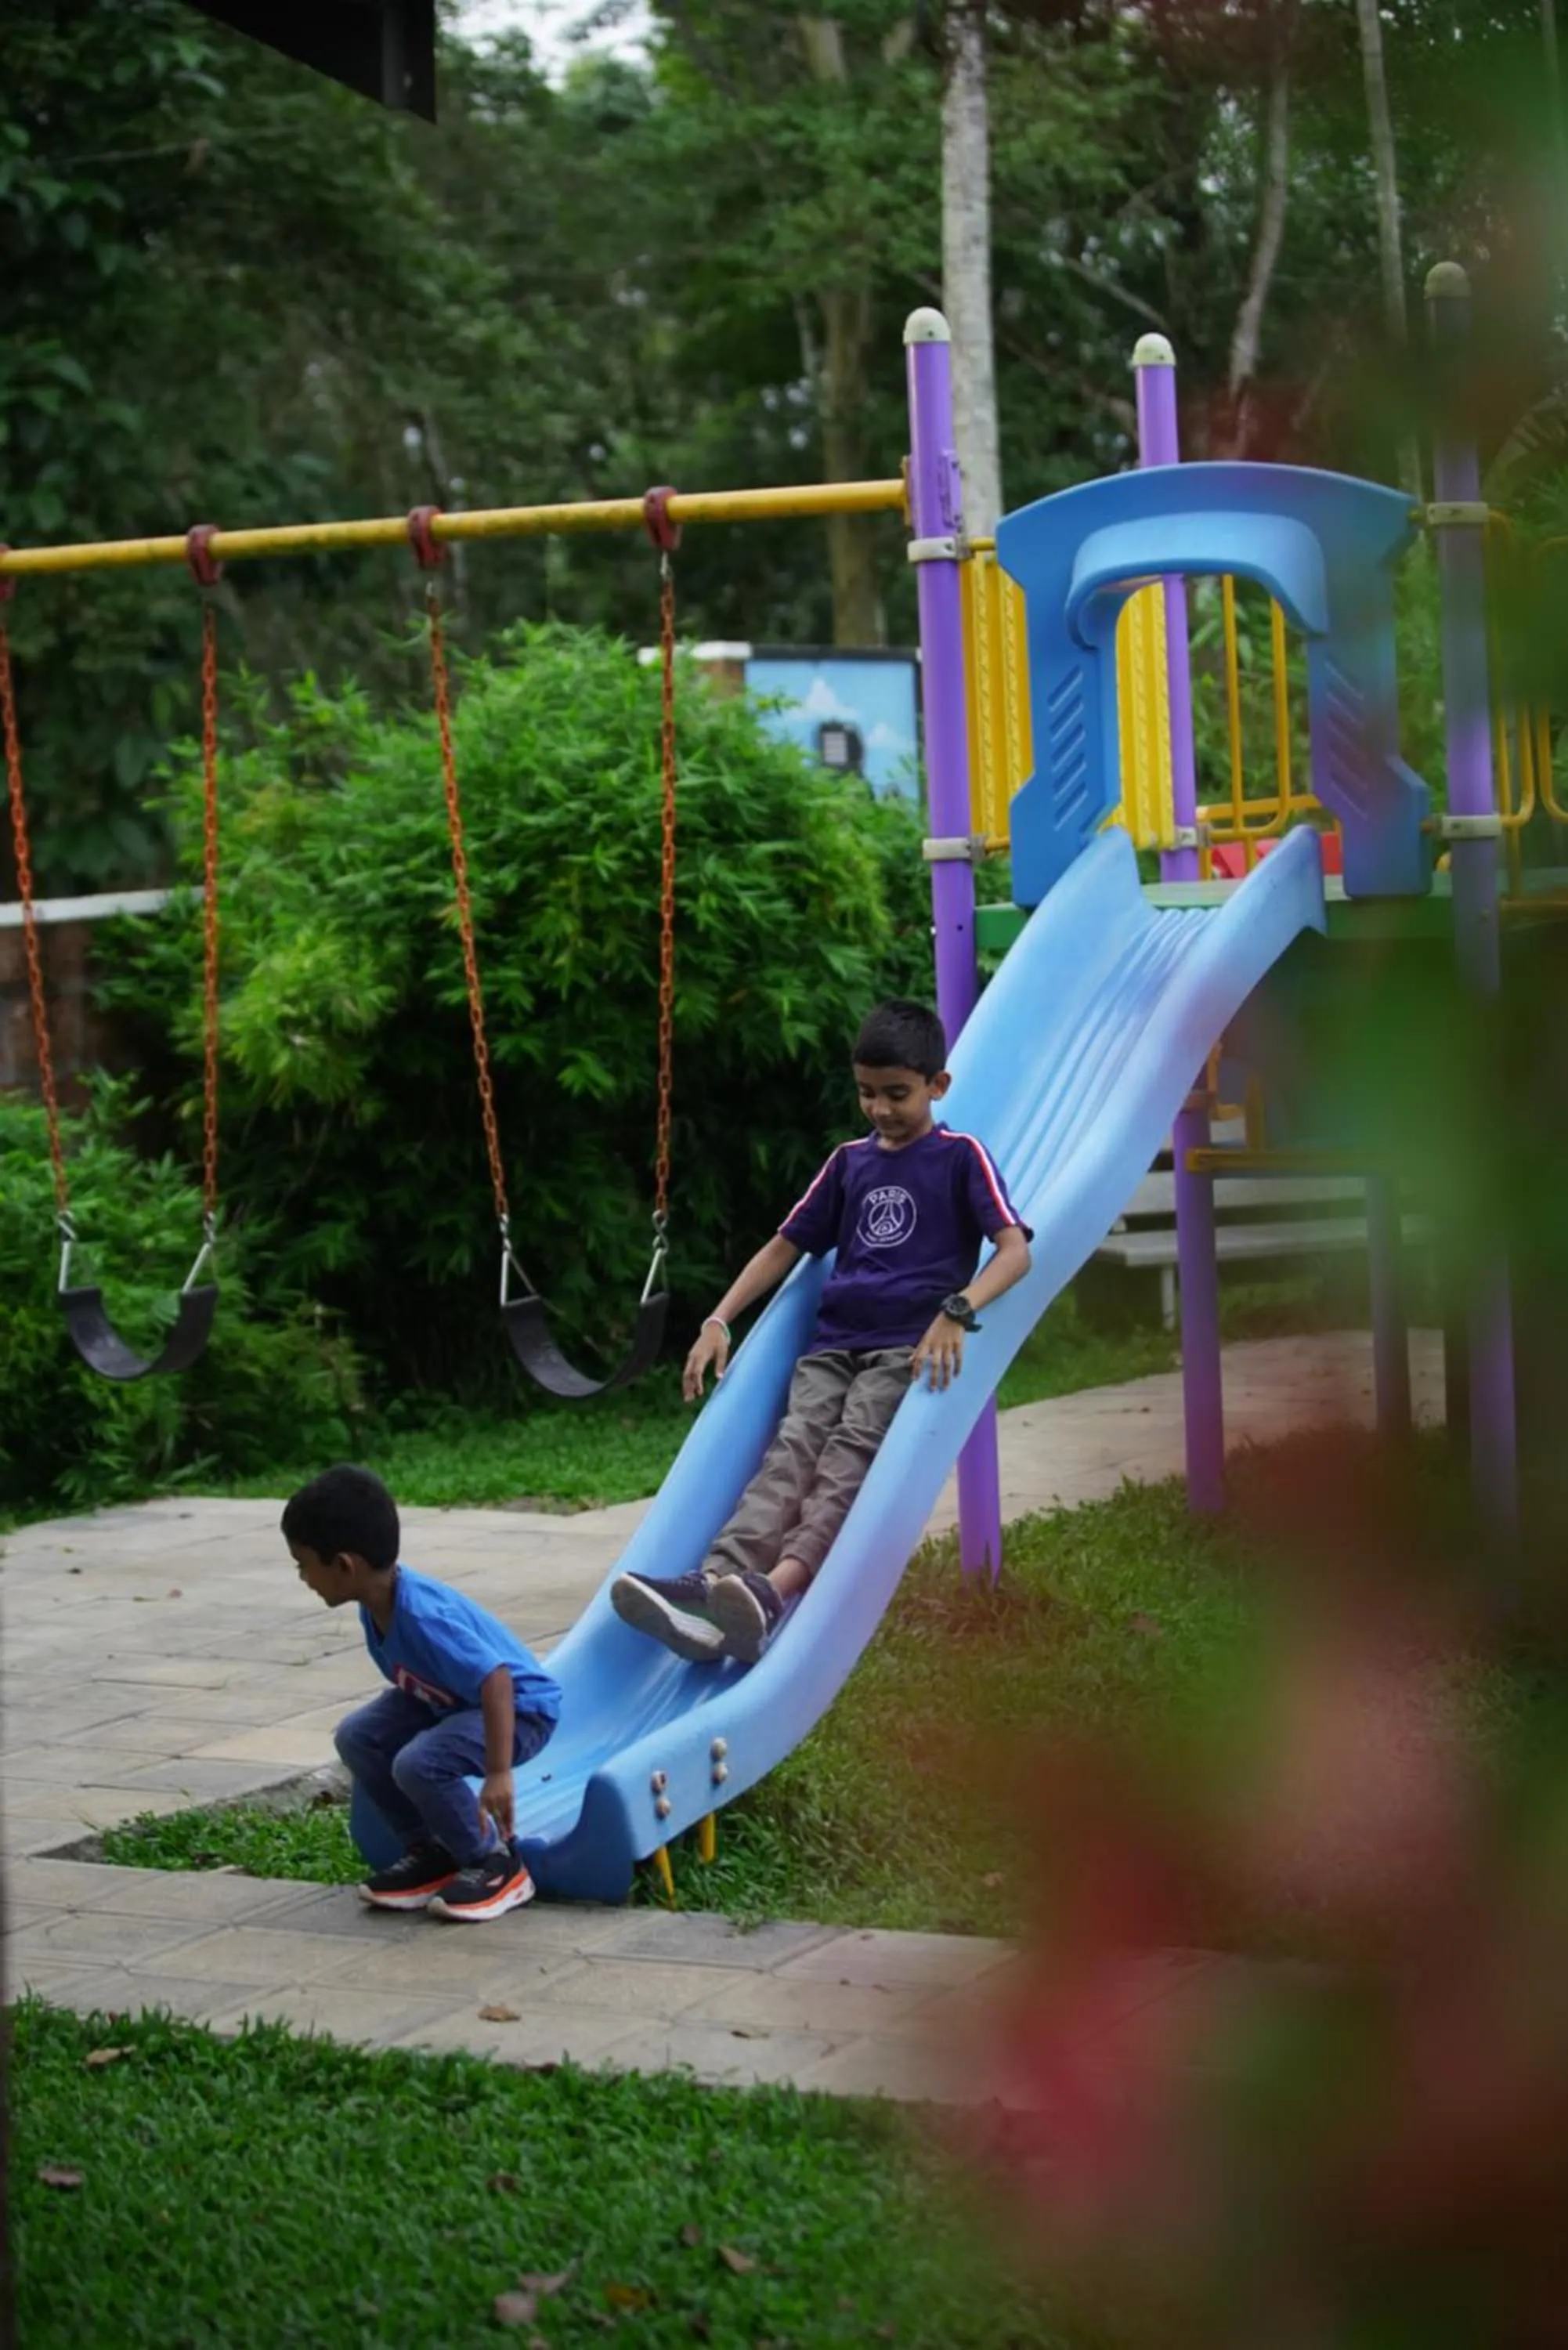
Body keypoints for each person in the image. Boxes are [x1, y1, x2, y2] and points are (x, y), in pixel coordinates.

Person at [612, 999, 1031, 1668]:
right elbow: (784, 1247)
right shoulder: (848, 1163)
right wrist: (719, 1318)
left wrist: (956, 1311)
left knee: (844, 1460)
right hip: (832, 1346)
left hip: (905, 1349)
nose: (881, 1109)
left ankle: (773, 1594)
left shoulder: (959, 1158)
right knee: (789, 1453)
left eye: (898, 1094)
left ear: (938, 1086)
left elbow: (1014, 1250)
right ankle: (716, 1586)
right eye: (867, 1094)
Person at [283, 1463, 560, 1922]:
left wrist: (497, 1774)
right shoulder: (376, 1603)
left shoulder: (422, 1617)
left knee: (418, 1762)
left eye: (303, 1564)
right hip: (454, 1700)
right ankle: (431, 1850)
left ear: (344, 1566)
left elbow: (496, 1679)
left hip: (520, 1710)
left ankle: (496, 1861)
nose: (302, 1577)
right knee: (358, 1736)